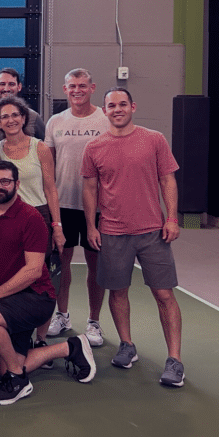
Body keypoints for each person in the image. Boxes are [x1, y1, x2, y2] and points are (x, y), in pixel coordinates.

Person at [81, 88, 185, 387]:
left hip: (153, 231)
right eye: (111, 105)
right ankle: (127, 345)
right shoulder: (94, 147)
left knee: (164, 295)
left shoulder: (154, 140)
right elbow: (90, 189)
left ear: (133, 107)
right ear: (104, 110)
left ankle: (175, 360)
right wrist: (91, 226)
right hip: (112, 232)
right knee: (118, 292)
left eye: (122, 104)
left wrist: (171, 218)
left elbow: (168, 179)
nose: (117, 109)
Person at [0, 161, 97, 405]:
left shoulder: (31, 218)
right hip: (5, 300)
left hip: (35, 297)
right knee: (3, 368)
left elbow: (33, 270)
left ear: (16, 184)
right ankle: (70, 348)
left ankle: (18, 380)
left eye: (5, 181)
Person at [0, 95, 63, 360]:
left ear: (23, 118)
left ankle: (40, 340)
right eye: (4, 116)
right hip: (8, 218)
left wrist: (57, 225)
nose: (10, 120)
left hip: (38, 217)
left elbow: (51, 189)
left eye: (15, 115)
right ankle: (12, 335)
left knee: (41, 280)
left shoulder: (40, 148)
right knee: (10, 276)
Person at [44, 68, 109, 347]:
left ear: (92, 87)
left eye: (82, 85)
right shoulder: (55, 121)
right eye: (72, 86)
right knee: (61, 263)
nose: (77, 90)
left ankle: (94, 322)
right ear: (65, 88)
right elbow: (49, 164)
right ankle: (62, 315)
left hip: (98, 207)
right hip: (64, 205)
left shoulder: (106, 120)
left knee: (96, 266)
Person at [0, 68, 46, 146]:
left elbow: (45, 147)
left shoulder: (33, 116)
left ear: (19, 87)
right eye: (2, 84)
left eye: (11, 84)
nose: (6, 89)